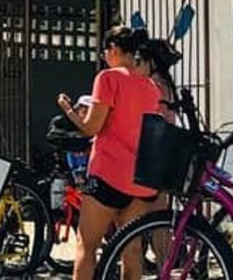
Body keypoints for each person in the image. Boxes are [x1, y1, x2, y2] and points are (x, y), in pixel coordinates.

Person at [57, 26, 161, 280]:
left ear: (113, 49)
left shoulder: (108, 78)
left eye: (105, 52)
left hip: (107, 175)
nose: (104, 58)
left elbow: (92, 127)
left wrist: (68, 110)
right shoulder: (150, 87)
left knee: (86, 246)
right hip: (138, 180)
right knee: (132, 249)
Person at [46, 95, 93, 186]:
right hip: (69, 180)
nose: (87, 116)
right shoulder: (65, 128)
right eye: (84, 111)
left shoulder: (96, 129)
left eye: (90, 113)